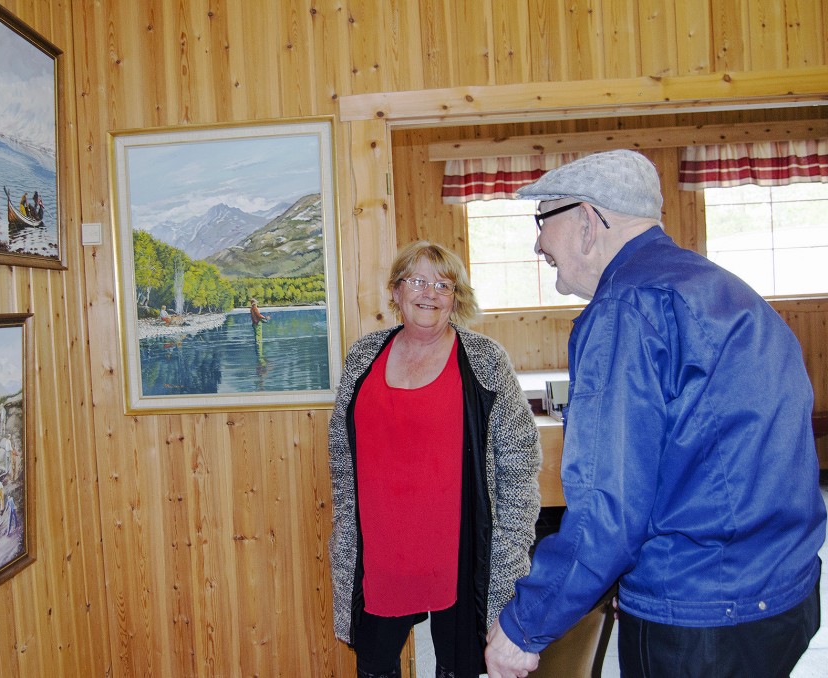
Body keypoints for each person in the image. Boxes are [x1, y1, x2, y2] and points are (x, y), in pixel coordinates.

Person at [485, 150, 826, 678]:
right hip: (783, 592)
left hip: (700, 615)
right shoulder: (727, 291)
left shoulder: (626, 307)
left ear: (586, 222)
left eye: (541, 220)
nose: (536, 244)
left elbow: (608, 506)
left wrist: (524, 624)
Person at [328, 241, 542, 678]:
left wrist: (512, 548)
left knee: (460, 664)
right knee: (374, 664)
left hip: (463, 552)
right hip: (380, 551)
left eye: (443, 284)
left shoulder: (485, 360)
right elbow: (341, 453)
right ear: (396, 291)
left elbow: (519, 461)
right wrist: (344, 528)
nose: (429, 293)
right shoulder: (364, 357)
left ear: (456, 297)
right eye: (417, 281)